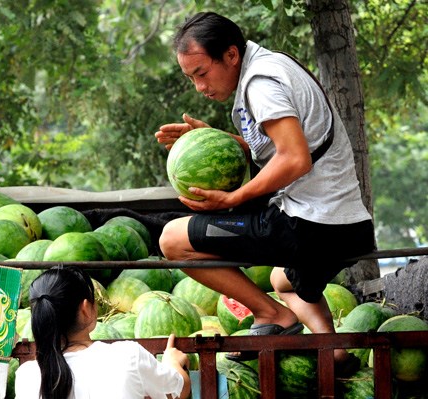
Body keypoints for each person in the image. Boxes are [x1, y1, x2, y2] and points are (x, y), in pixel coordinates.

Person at [154, 12, 374, 374]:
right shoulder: (272, 66)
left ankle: (272, 314)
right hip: (347, 226)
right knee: (281, 279)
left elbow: (295, 158)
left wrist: (232, 200)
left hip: (310, 224)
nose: (200, 87)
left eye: (202, 74)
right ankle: (332, 350)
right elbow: (281, 150)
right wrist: (218, 140)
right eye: (191, 78)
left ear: (230, 55)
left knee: (173, 240)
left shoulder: (261, 84)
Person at [14, 265, 191, 399]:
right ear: (85, 309)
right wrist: (172, 362)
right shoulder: (127, 355)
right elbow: (179, 389)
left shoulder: (26, 376)